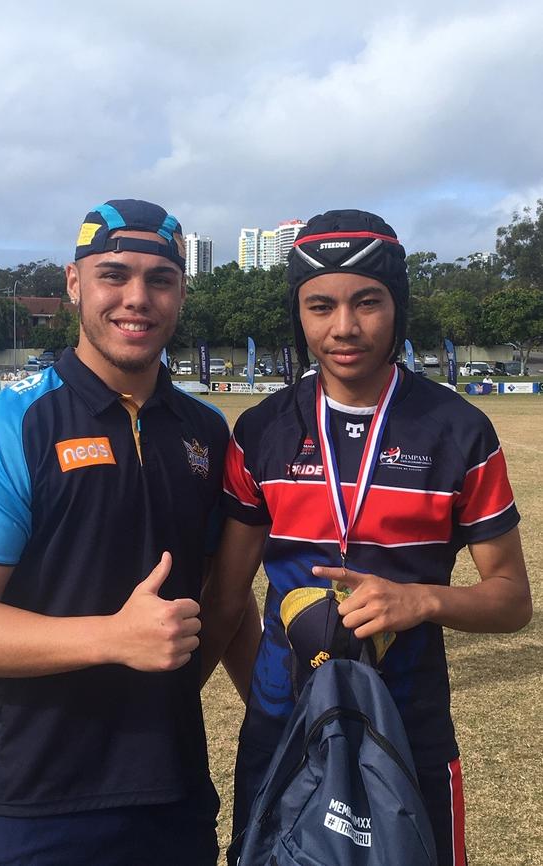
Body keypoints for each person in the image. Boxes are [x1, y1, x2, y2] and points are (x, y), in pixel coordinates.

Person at [200, 209, 532, 866]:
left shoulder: (458, 431)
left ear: (396, 305)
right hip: (281, 727)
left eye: (367, 303)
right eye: (320, 306)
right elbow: (228, 598)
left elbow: (512, 599)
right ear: (298, 312)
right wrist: (173, 707)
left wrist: (424, 602)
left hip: (408, 728)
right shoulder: (261, 432)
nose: (343, 327)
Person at [0, 198, 231, 866]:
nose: (137, 298)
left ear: (180, 292)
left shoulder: (206, 434)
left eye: (160, 279)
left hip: (173, 798)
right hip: (38, 805)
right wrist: (113, 639)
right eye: (114, 274)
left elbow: (219, 593)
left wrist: (282, 701)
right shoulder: (9, 427)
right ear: (73, 283)